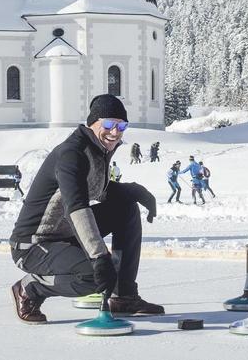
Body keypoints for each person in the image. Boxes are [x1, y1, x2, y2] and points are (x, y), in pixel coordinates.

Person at [9, 94, 162, 324]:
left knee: (126, 209)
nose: (116, 132)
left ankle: (124, 296)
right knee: (95, 275)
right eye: (109, 124)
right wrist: (99, 256)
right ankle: (30, 288)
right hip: (33, 245)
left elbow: (96, 189)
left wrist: (135, 191)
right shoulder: (72, 154)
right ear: (93, 122)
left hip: (65, 236)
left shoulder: (98, 148)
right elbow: (77, 206)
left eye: (122, 126)